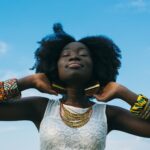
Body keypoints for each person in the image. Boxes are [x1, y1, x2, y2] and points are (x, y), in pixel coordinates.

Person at [0, 23, 150, 150]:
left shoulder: (108, 114)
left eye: (83, 54)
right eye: (66, 55)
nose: (74, 56)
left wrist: (122, 92)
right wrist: (27, 82)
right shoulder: (40, 107)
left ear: (96, 66)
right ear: (55, 66)